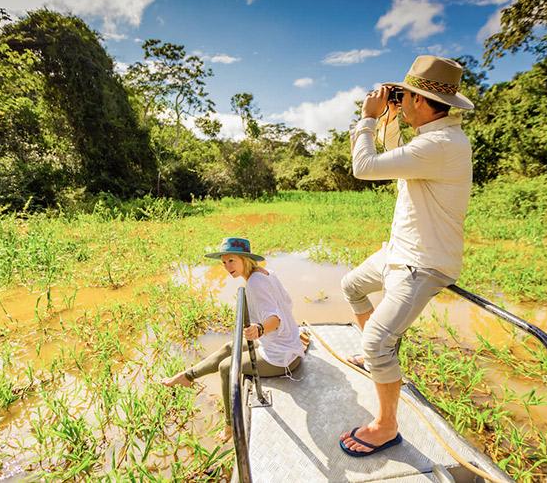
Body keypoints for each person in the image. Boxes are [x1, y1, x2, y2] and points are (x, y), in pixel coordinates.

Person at [339, 56, 475, 457]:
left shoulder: (440, 145)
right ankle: (373, 359)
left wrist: (368, 118)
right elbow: (394, 156)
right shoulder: (434, 140)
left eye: (404, 96)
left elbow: (364, 167)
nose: (399, 101)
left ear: (420, 99)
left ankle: (385, 426)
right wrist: (392, 119)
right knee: (352, 286)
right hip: (400, 252)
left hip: (423, 263)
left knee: (379, 339)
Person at [161, 237, 304, 442]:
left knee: (227, 368)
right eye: (224, 262)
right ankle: (187, 376)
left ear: (244, 259)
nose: (227, 267)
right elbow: (288, 303)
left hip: (283, 357)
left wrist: (260, 328)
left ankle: (229, 426)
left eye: (232, 261)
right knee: (230, 347)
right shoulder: (267, 273)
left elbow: (276, 318)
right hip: (286, 344)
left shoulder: (255, 282)